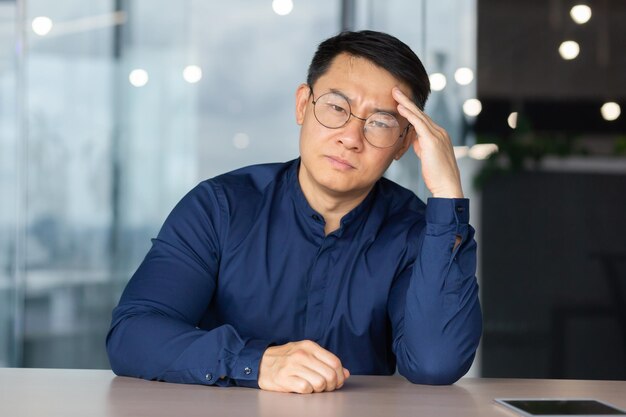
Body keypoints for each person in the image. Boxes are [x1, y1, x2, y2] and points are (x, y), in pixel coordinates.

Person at [106, 30, 482, 394]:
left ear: (404, 144)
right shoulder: (220, 207)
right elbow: (133, 334)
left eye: (380, 124)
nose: (350, 139)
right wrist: (257, 362)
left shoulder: (416, 231)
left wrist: (447, 194)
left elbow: (436, 361)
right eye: (336, 107)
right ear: (303, 104)